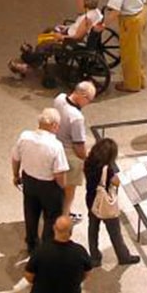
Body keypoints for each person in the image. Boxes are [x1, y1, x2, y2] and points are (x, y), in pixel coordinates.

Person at [8, 0, 103, 76]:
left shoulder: (87, 18)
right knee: (49, 30)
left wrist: (62, 37)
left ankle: (30, 66)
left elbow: (78, 37)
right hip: (69, 34)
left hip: (70, 42)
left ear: (86, 2)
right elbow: (77, 27)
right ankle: (32, 56)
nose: (77, 1)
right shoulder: (95, 12)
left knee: (44, 46)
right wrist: (66, 27)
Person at [11, 109, 69, 255]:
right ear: (55, 125)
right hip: (49, 186)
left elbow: (15, 158)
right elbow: (59, 173)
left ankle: (31, 244)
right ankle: (46, 249)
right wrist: (63, 188)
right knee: (51, 217)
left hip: (29, 180)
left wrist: (16, 175)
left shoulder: (25, 137)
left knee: (30, 212)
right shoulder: (56, 146)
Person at [84, 138, 140, 266]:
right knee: (115, 231)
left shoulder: (88, 162)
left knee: (93, 228)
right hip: (105, 203)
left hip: (91, 200)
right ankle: (123, 256)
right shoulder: (106, 170)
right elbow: (115, 182)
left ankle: (95, 257)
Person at [53, 81, 97, 222]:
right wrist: (86, 159)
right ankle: (65, 217)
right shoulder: (76, 117)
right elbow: (79, 146)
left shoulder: (59, 99)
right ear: (82, 95)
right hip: (68, 155)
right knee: (69, 189)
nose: (88, 103)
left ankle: (55, 210)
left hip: (54, 147)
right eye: (89, 100)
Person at [106, 0, 147, 92]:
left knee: (129, 53)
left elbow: (116, 10)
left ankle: (131, 84)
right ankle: (140, 78)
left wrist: (103, 24)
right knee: (137, 48)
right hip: (142, 12)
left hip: (131, 20)